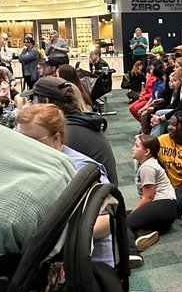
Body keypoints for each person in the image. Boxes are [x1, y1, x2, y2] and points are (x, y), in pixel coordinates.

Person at [16, 103, 115, 265]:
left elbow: (107, 223)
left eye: (33, 141)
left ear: (56, 139)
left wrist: (55, 237)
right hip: (55, 256)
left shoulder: (82, 169)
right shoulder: (36, 163)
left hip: (88, 265)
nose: (25, 148)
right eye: (20, 141)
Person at [29, 76, 118, 185]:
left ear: (46, 102)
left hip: (96, 197)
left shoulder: (64, 133)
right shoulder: (81, 122)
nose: (30, 104)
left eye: (33, 99)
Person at [128, 134, 179, 250]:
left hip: (163, 206)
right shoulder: (144, 162)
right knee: (122, 217)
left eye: (136, 146)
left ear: (146, 152)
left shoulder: (148, 167)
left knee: (125, 223)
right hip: (166, 209)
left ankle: (131, 253)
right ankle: (145, 234)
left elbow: (148, 197)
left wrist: (133, 214)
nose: (133, 148)